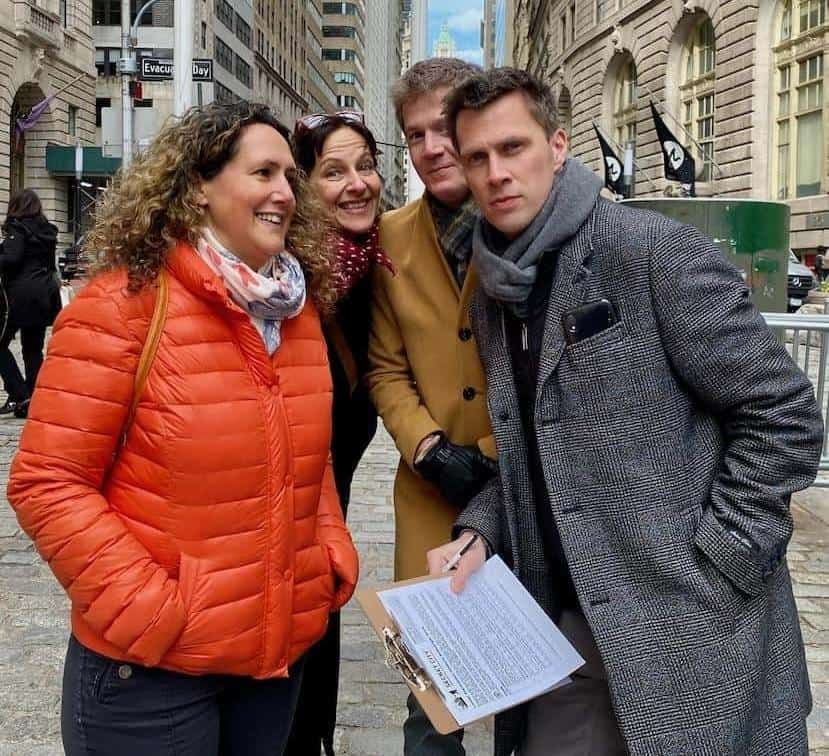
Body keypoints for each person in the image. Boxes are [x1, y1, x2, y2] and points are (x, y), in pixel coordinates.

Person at [428, 68, 823, 756]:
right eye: (477, 157)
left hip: (689, 627)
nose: (496, 173)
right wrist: (480, 529)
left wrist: (721, 557)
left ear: (556, 146)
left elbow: (782, 413)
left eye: (512, 148)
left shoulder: (649, 252)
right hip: (562, 625)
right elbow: (533, 445)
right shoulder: (492, 287)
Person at [6, 100, 359, 756]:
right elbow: (47, 481)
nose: (285, 190)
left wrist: (327, 555)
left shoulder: (298, 311)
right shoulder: (122, 306)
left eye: (289, 175)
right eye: (262, 173)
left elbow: (309, 460)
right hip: (150, 677)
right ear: (197, 186)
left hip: (272, 662)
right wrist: (151, 610)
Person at [366, 57, 495, 755]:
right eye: (415, 135)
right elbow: (385, 366)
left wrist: (494, 455)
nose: (433, 146)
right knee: (430, 698)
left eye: (444, 126)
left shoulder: (524, 217)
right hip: (431, 493)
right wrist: (426, 447)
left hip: (526, 485)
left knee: (534, 680)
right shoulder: (389, 236)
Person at [287, 110, 393, 756]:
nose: (357, 184)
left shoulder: (375, 266)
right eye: (333, 171)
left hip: (329, 527)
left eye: (365, 166)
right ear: (303, 187)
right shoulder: (284, 279)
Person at [0, 188, 61, 418]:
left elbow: (11, 259)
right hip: (44, 295)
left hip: (20, 296)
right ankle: (33, 398)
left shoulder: (18, 228)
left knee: (0, 343)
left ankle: (19, 393)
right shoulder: (47, 230)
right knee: (33, 349)